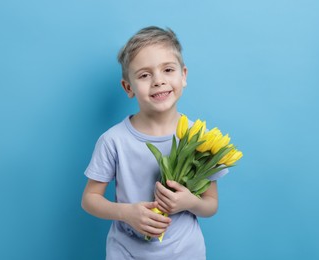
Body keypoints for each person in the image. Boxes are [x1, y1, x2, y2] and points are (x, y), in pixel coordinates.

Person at [81, 26, 227, 260]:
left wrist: (189, 202)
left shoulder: (202, 139)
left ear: (184, 75)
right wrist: (126, 212)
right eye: (144, 75)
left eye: (168, 69)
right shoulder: (114, 140)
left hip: (185, 252)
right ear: (128, 87)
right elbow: (90, 199)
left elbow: (211, 204)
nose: (158, 81)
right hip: (125, 252)